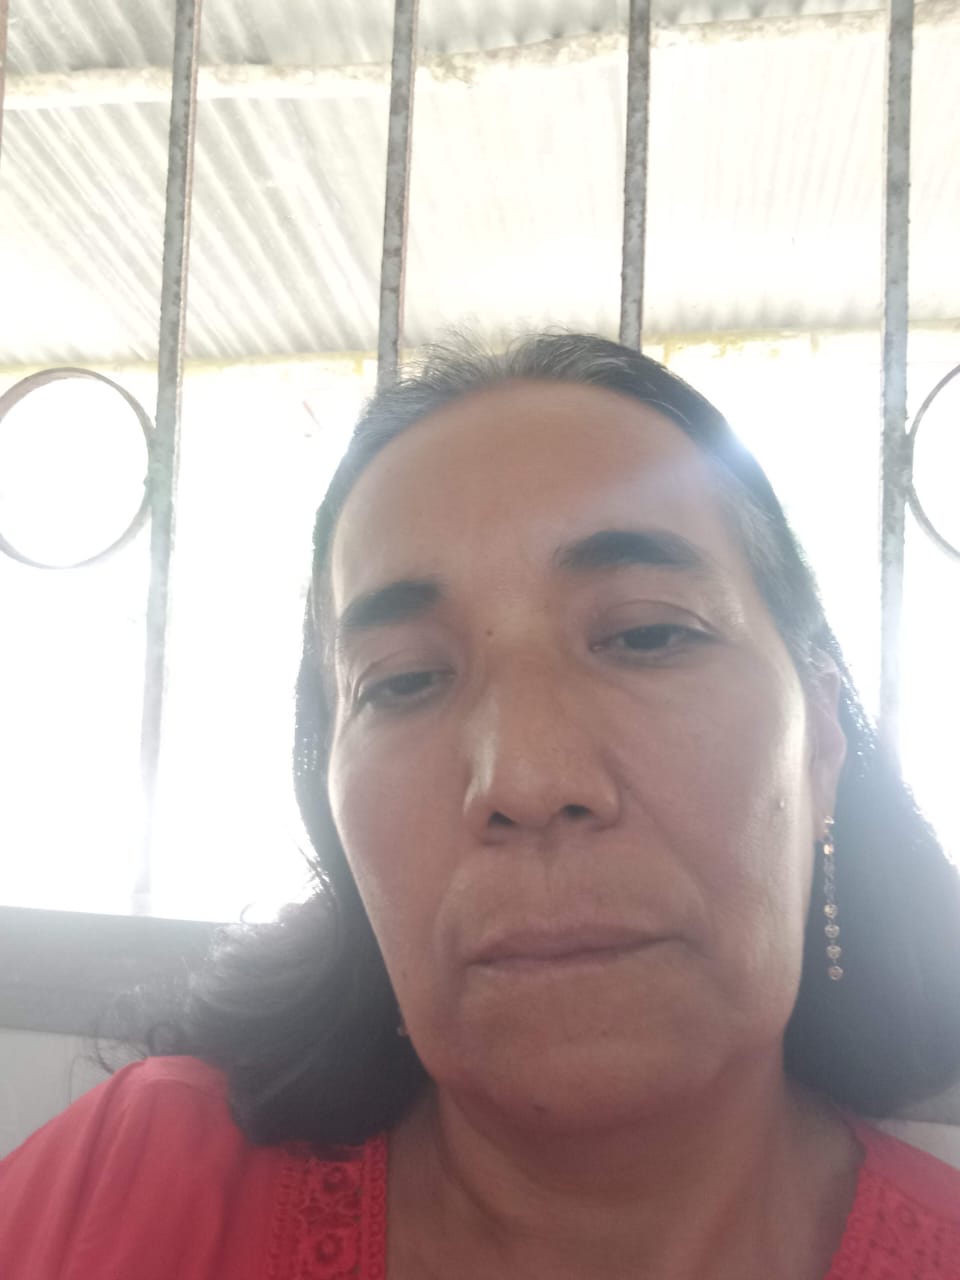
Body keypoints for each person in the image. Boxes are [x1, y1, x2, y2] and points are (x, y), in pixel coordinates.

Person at [2, 332, 960, 1279]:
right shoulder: (125, 1192)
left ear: (821, 740)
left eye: (648, 635)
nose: (528, 780)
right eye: (403, 681)